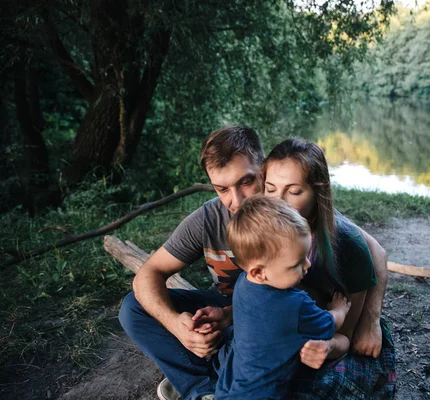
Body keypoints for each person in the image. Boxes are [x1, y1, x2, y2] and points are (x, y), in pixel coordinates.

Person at [118, 126, 390, 400]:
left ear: (264, 170)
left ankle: (217, 377)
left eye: (246, 182)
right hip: (242, 312)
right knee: (134, 308)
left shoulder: (295, 217)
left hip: (286, 324)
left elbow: (373, 251)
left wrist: (370, 318)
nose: (235, 201)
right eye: (222, 188)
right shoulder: (209, 218)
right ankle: (203, 391)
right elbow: (149, 273)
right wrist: (179, 325)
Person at [262, 138, 397, 399]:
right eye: (270, 189)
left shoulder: (347, 245)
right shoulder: (263, 230)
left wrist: (326, 346)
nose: (278, 203)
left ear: (318, 191)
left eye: (294, 191)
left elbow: (346, 335)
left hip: (336, 338)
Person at [213, 195, 351, 399]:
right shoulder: (293, 305)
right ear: (259, 272)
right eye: (296, 264)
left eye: (305, 256)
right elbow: (330, 324)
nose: (307, 265)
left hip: (229, 387)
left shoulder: (244, 283)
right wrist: (340, 309)